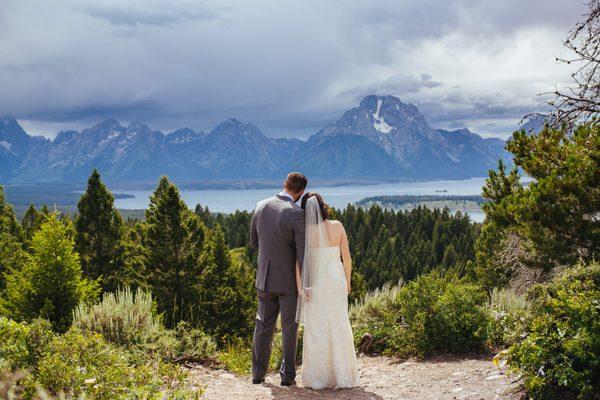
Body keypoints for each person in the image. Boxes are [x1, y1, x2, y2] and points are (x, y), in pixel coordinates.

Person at [296, 192, 360, 389]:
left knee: (317, 328)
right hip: (336, 281)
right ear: (323, 206)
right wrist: (348, 281)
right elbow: (347, 257)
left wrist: (300, 288)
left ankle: (318, 378)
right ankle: (342, 376)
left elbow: (297, 263)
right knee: (339, 323)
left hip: (315, 285)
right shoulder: (337, 225)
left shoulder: (304, 231)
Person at [250, 172, 307, 386]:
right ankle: (287, 377)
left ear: (284, 184)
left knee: (263, 325)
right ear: (300, 193)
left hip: (264, 277)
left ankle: (257, 375)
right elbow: (302, 255)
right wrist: (305, 284)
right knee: (289, 327)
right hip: (289, 282)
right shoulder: (296, 214)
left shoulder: (261, 206)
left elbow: (254, 242)